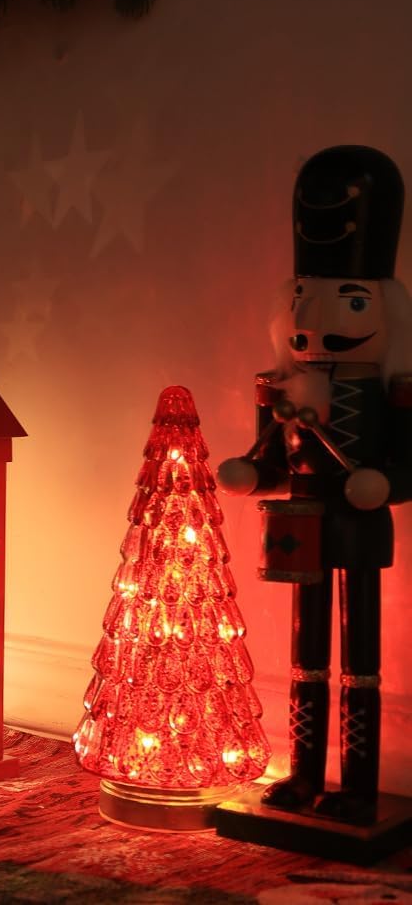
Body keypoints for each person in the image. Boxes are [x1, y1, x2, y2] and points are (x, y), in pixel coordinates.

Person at [217, 145, 412, 826]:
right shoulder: (284, 391)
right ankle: (303, 773)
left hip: (358, 527)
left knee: (361, 659)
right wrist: (253, 473)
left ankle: (357, 785)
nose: (318, 322)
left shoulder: (394, 395)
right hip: (300, 522)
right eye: (304, 299)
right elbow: (271, 458)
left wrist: (383, 484)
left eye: (351, 302)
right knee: (306, 656)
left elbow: (408, 464)